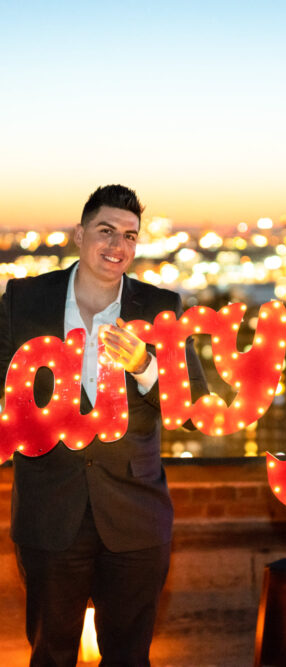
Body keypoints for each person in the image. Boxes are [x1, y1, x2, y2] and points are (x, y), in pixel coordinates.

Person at [0, 185, 208, 666]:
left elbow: (195, 410)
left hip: (136, 516)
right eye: (106, 231)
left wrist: (145, 366)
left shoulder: (161, 306)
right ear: (80, 234)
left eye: (130, 236)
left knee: (131, 657)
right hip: (49, 512)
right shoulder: (24, 298)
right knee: (51, 654)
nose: (117, 246)